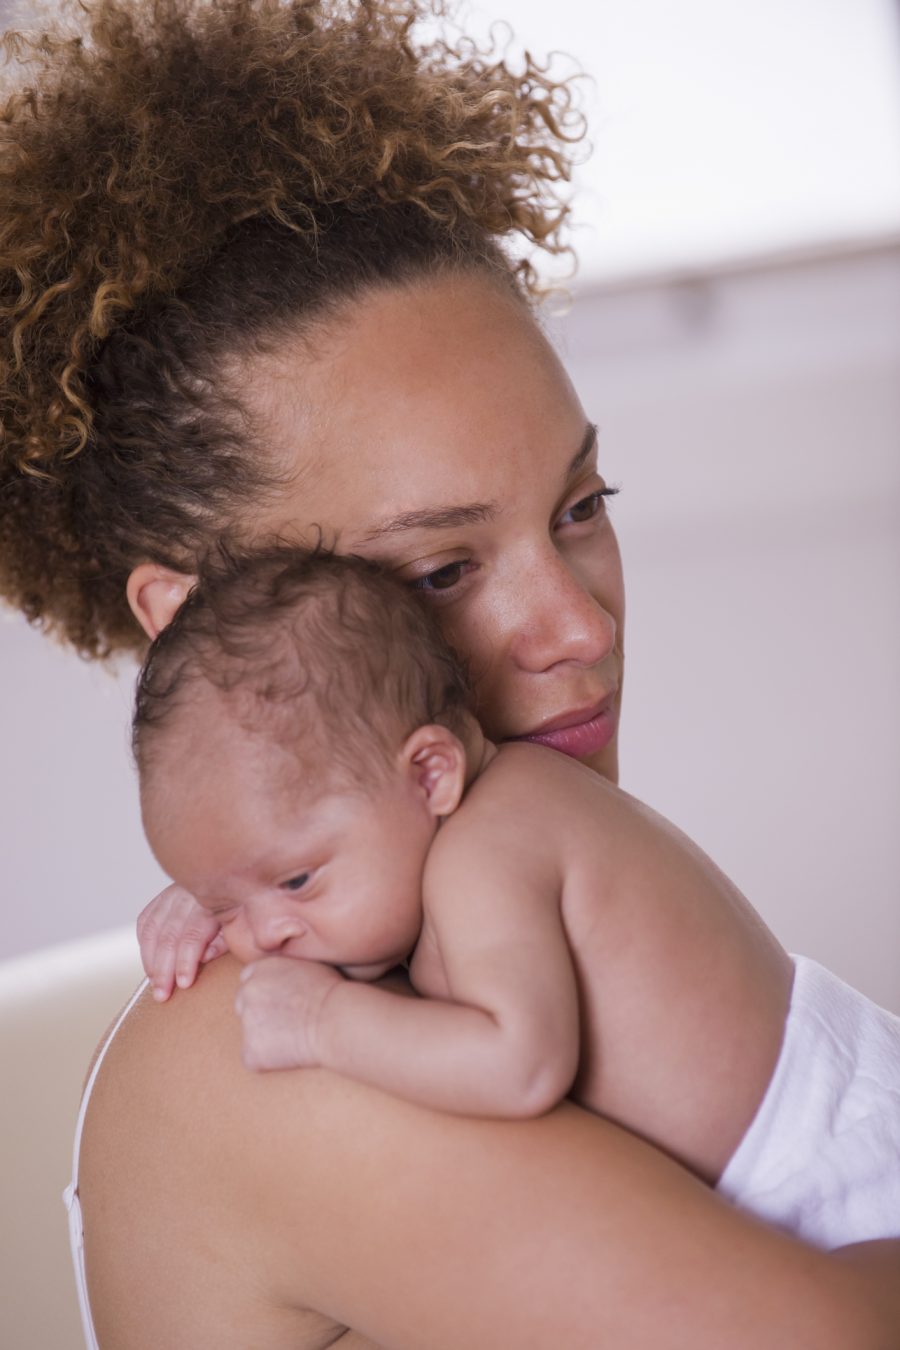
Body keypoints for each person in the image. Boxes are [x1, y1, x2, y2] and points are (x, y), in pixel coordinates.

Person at [2, 0, 899, 1345]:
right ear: (192, 620)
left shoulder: (469, 922)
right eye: (439, 573)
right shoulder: (266, 1041)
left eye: (582, 502)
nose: (578, 626)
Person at [133, 546, 900, 1251]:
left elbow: (519, 1065)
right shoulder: (419, 832)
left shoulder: (488, 850)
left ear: (431, 774)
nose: (262, 936)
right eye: (227, 905)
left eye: (296, 880)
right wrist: (226, 888)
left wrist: (323, 1022)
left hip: (842, 1171)